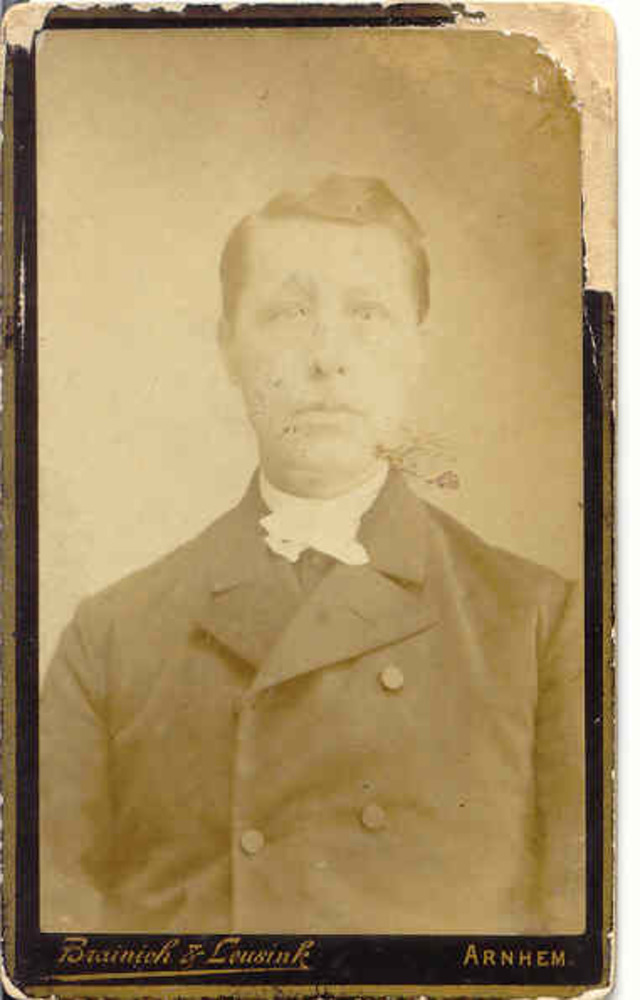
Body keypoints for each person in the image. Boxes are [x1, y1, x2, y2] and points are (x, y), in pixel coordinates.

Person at [40, 175, 585, 935]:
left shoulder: (541, 626)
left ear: (417, 350)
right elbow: (52, 948)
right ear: (227, 347)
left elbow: (579, 955)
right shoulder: (108, 641)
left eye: (367, 314)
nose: (328, 358)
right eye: (289, 313)